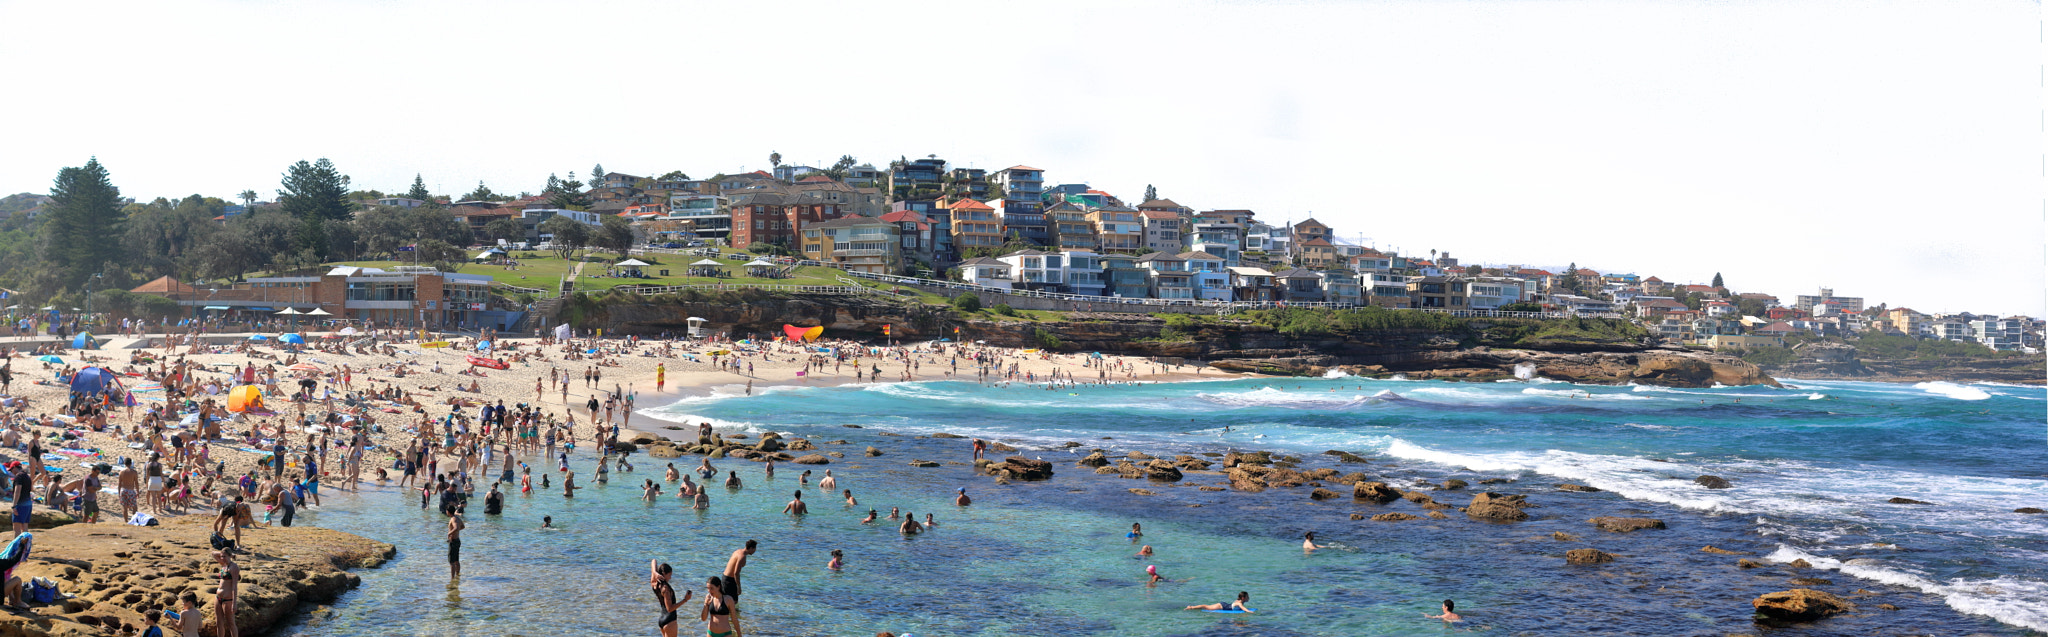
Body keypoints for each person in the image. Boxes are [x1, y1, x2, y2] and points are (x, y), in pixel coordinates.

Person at [649, 560, 691, 637]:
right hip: (670, 621)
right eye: (669, 575)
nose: (670, 578)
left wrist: (654, 572)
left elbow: (653, 561)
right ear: (664, 574)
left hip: (662, 619)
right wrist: (685, 600)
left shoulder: (654, 584)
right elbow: (670, 608)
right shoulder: (665, 589)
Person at [214, 550, 240, 637]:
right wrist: (225, 554)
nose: (222, 558)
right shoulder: (223, 564)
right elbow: (213, 554)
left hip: (228, 599)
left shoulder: (234, 567)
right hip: (218, 597)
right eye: (221, 556)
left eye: (224, 556)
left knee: (231, 624)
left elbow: (234, 586)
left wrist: (234, 603)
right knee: (218, 623)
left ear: (229, 556)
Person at [446, 504, 466, 580]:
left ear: (448, 512)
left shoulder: (453, 519)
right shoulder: (457, 518)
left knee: (452, 561)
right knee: (456, 560)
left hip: (453, 541)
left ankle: (452, 578)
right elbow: (463, 527)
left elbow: (456, 527)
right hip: (457, 540)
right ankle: (457, 575)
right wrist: (456, 532)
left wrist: (449, 533)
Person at [1185, 591, 1251, 612]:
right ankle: (1191, 607)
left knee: (1207, 606)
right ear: (1243, 598)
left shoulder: (1240, 600)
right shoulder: (1239, 603)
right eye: (1247, 597)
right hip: (1222, 606)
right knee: (1206, 607)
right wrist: (1249, 611)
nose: (1248, 598)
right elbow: (1242, 608)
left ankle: (1192, 607)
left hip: (1225, 605)